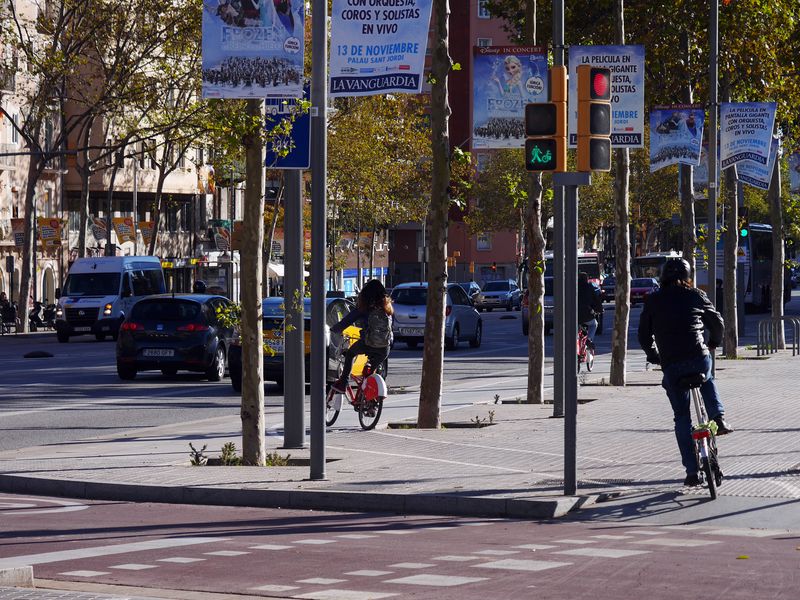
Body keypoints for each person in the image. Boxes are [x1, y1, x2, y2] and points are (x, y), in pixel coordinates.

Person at [638, 258, 734, 487]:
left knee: (682, 417)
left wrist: (654, 356)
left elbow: (643, 336)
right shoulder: (695, 295)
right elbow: (717, 322)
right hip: (698, 357)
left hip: (672, 364)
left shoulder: (652, 300)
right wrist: (714, 342)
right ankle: (718, 417)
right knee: (708, 377)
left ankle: (691, 472)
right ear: (688, 276)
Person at [330, 279, 393, 393]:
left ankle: (343, 383)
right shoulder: (387, 308)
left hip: (368, 344)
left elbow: (346, 321)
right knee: (369, 372)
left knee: (350, 354)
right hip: (384, 349)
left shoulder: (364, 308)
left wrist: (334, 329)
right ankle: (370, 400)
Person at [577, 272, 602, 346]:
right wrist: (600, 309)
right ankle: (589, 339)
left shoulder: (573, 287)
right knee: (594, 324)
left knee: (575, 325)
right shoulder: (589, 287)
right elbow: (596, 300)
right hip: (586, 314)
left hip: (573, 314)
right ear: (587, 279)